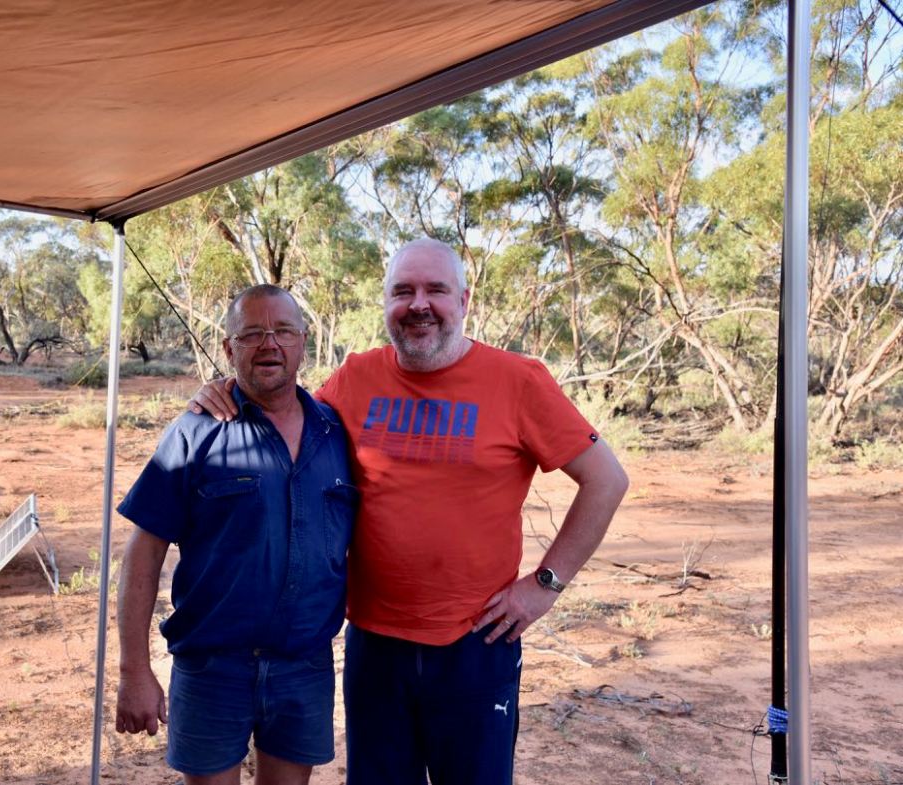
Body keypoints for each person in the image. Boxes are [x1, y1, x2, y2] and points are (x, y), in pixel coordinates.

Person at [189, 238, 630, 784]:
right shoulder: (356, 378)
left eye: (435, 290)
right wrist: (227, 389)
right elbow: (285, 416)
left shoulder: (518, 381)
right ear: (386, 304)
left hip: (477, 640)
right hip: (376, 644)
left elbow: (606, 480)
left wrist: (545, 585)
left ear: (463, 301)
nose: (419, 304)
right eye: (403, 292)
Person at [114, 284, 356, 785]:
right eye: (251, 334)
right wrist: (133, 670)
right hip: (212, 668)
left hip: (304, 666)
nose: (270, 344)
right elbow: (144, 551)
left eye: (283, 330)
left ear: (303, 341)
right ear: (229, 348)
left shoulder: (336, 432)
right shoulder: (196, 431)